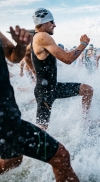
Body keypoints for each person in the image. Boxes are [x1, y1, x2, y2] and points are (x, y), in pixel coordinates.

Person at [0, 26, 79, 181]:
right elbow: (68, 58)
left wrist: (21, 45)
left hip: (9, 112)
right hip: (4, 120)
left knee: (13, 161)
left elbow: (13, 56)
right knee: (60, 157)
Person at [30, 8, 93, 130]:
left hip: (53, 87)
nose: (55, 25)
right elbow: (68, 59)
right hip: (45, 91)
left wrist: (34, 72)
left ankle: (85, 121)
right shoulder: (42, 36)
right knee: (42, 129)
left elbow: (27, 56)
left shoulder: (35, 37)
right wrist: (83, 44)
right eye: (52, 22)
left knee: (87, 90)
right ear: (43, 23)